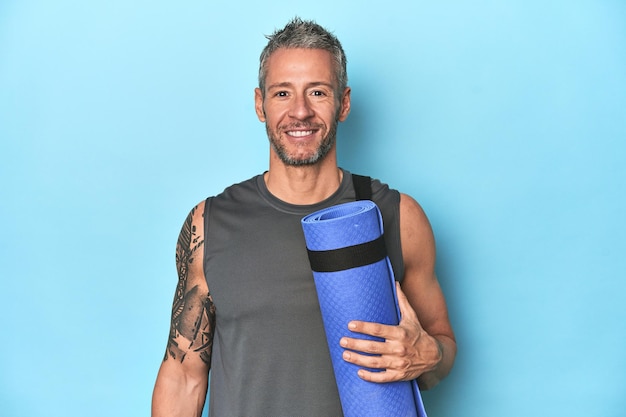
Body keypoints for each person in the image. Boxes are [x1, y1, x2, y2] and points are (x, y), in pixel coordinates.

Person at [152, 17, 456, 417]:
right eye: (282, 93)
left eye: (317, 92)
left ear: (343, 103)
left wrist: (427, 355)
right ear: (260, 104)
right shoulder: (210, 223)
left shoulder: (397, 215)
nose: (300, 111)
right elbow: (184, 373)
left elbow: (441, 351)